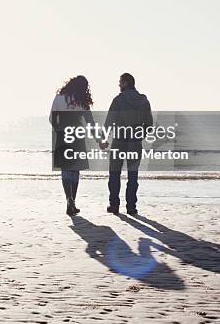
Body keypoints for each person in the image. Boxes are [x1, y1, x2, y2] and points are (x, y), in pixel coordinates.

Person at [104, 72, 153, 216]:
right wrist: (140, 135)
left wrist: (103, 139)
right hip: (135, 143)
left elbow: (108, 122)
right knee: (133, 175)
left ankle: (114, 205)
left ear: (125, 83)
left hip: (119, 141)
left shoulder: (118, 100)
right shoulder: (143, 100)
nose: (119, 84)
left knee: (114, 174)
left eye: (120, 82)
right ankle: (131, 207)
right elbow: (149, 124)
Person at [49, 75, 95, 216]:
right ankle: (72, 201)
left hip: (62, 136)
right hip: (77, 137)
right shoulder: (82, 101)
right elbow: (90, 122)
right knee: (75, 170)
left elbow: (51, 118)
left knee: (65, 170)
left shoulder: (59, 98)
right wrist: (99, 139)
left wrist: (58, 129)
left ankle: (69, 200)